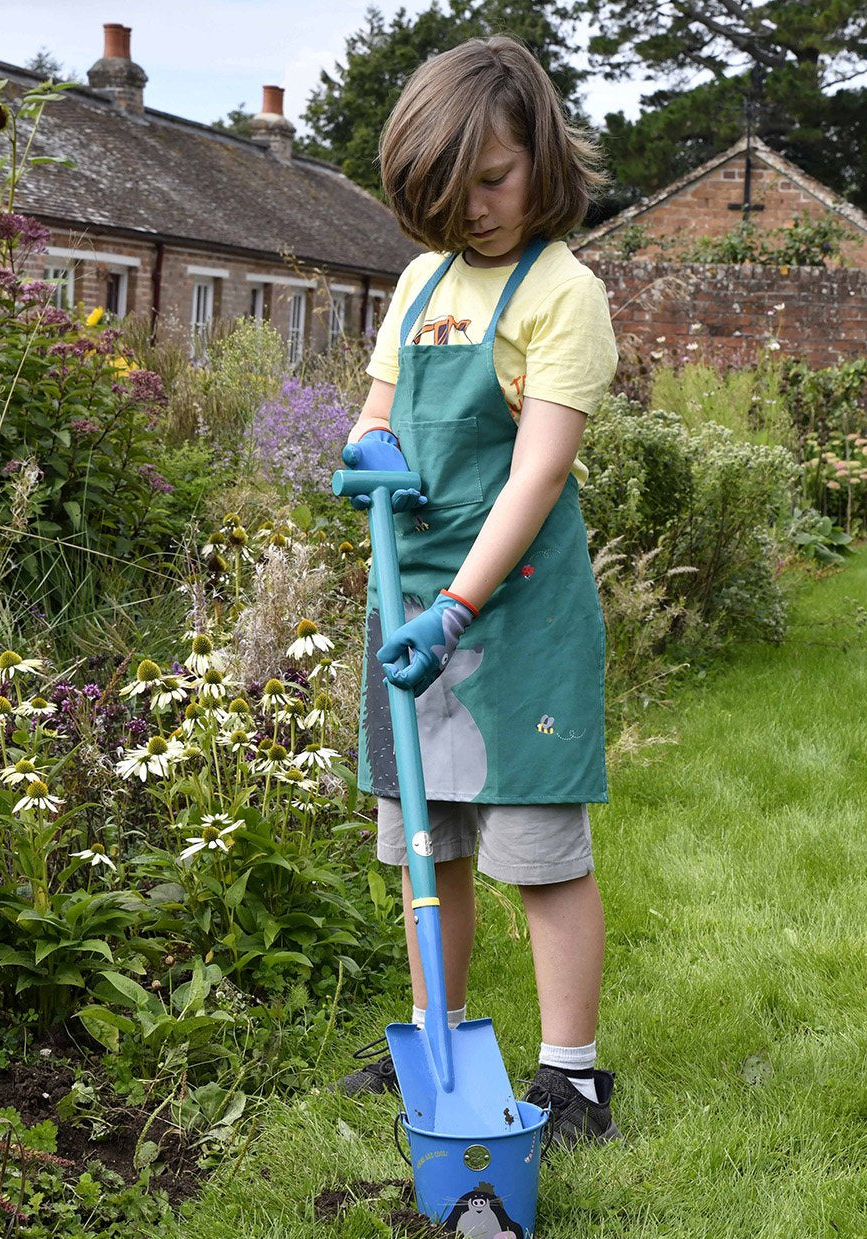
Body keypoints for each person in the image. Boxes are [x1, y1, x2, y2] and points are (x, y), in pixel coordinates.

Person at [337, 35, 620, 1147]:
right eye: (447, 195)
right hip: (408, 609)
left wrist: (458, 605)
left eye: (493, 181)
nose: (474, 212)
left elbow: (537, 472)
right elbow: (377, 412)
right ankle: (435, 1035)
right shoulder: (421, 283)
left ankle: (572, 1077)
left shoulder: (563, 293)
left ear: (539, 154)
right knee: (430, 842)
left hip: (515, 618)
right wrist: (366, 448)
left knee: (538, 854)